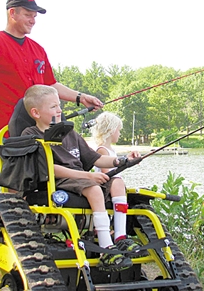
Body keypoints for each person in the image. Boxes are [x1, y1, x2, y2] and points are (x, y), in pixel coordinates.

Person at [0, 0, 103, 179]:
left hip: (43, 134)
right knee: (12, 188)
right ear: (12, 13)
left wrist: (80, 97)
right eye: (28, 15)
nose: (33, 20)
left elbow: (51, 84)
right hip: (8, 133)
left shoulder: (38, 49)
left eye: (34, 16)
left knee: (48, 189)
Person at [21, 85, 144, 272]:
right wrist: (88, 175)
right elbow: (48, 169)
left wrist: (123, 160)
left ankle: (120, 237)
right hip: (57, 182)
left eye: (59, 105)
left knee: (117, 182)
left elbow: (95, 158)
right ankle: (105, 249)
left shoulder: (71, 133)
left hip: (82, 180)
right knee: (94, 188)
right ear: (36, 112)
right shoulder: (31, 135)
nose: (59, 110)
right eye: (53, 107)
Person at [90, 111, 147, 258]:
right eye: (118, 130)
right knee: (118, 182)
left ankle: (120, 232)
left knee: (120, 183)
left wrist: (129, 163)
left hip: (112, 187)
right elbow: (107, 172)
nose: (120, 133)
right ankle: (120, 235)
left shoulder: (111, 149)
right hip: (104, 187)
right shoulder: (102, 149)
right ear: (110, 130)